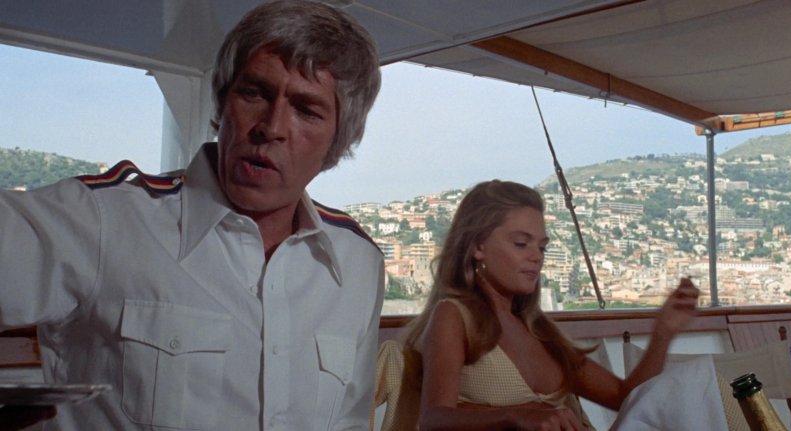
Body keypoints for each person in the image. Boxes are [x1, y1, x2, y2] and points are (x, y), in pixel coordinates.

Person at [0, 1, 383, 430]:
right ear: (222, 102)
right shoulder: (106, 219)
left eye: (306, 110)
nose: (271, 127)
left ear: (337, 143)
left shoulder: (358, 264)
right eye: (254, 92)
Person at [403, 180, 700, 431]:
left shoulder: (540, 331)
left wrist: (663, 332)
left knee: (699, 382)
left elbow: (626, 398)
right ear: (478, 246)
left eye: (542, 247)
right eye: (521, 244)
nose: (536, 256)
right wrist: (515, 415)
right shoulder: (454, 316)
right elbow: (433, 419)